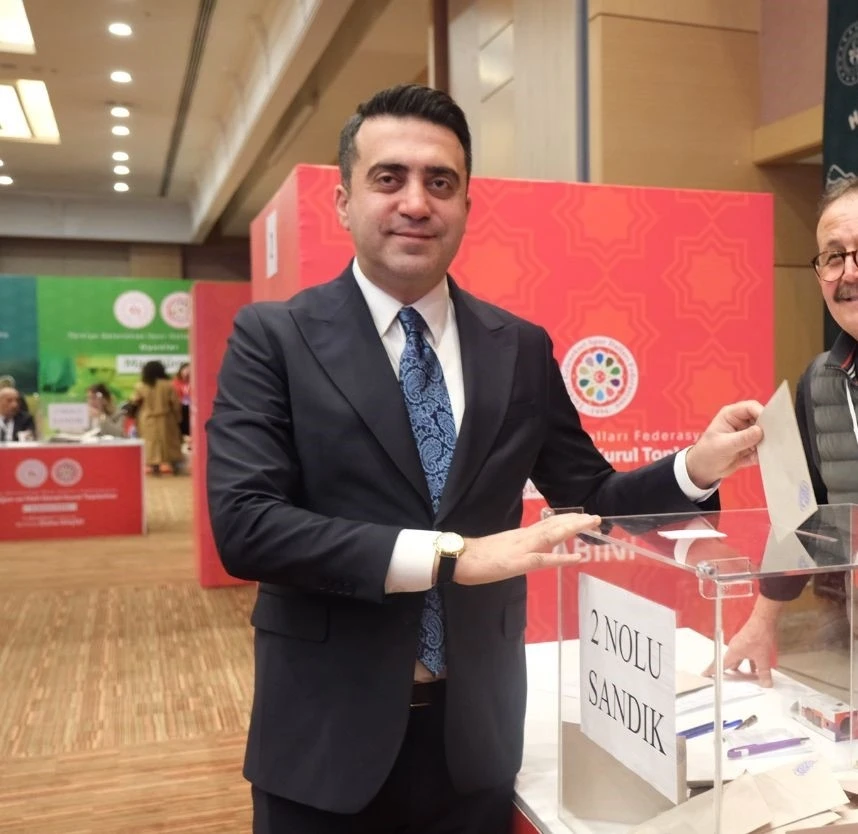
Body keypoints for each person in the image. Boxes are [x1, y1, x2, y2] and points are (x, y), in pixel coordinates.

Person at [206, 84, 763, 834]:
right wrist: (452, 556)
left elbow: (590, 494)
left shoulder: (518, 348)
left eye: (440, 183)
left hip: (473, 739)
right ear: (343, 201)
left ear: (466, 205)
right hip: (325, 737)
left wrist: (697, 465)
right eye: (389, 178)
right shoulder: (274, 338)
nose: (416, 202)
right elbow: (247, 526)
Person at [712, 176, 858, 687]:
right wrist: (762, 620)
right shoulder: (820, 381)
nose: (849, 273)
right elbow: (803, 515)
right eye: (833, 257)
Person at [130, 361, 183, 475]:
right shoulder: (168, 385)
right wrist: (178, 418)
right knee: (170, 442)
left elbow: (135, 402)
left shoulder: (141, 386)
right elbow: (175, 403)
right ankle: (175, 466)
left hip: (147, 419)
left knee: (151, 443)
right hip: (166, 418)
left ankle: (155, 468)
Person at [172, 362, 191, 440]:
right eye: (185, 370)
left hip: (191, 408)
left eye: (189, 370)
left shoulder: (194, 381)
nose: (187, 372)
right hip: (180, 407)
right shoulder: (175, 382)